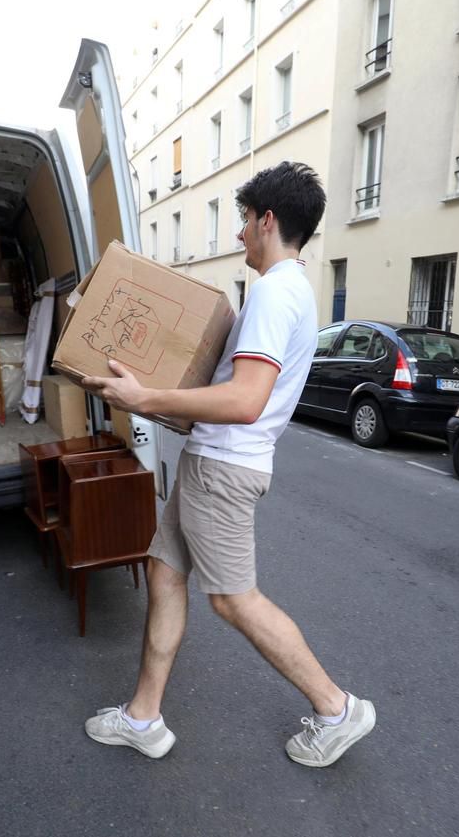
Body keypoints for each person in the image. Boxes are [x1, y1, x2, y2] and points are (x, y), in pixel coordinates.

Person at [79, 161, 375, 768]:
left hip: (224, 471)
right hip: (208, 461)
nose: (239, 234)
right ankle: (144, 716)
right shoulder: (289, 288)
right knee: (164, 571)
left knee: (234, 599)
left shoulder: (273, 291)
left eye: (243, 221)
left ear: (267, 221)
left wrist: (144, 398)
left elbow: (244, 400)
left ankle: (336, 709)